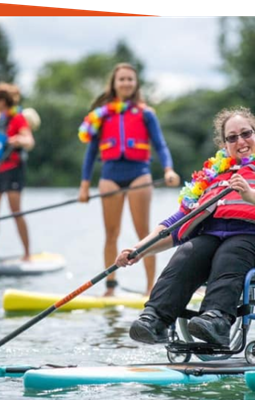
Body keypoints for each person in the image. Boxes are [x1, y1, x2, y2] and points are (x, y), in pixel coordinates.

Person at [115, 106, 255, 346]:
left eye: (246, 133)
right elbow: (178, 223)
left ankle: (217, 319)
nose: (241, 141)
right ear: (225, 145)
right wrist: (139, 249)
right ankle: (155, 318)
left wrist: (251, 195)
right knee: (192, 248)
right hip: (222, 240)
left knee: (234, 247)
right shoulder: (213, 176)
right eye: (232, 138)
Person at [78, 63, 180, 297]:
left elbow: (160, 145)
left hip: (139, 176)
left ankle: (150, 289)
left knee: (144, 233)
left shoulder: (146, 113)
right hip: (110, 177)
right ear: (114, 83)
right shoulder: (101, 115)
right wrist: (84, 185)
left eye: (130, 79)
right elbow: (91, 152)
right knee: (111, 234)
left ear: (136, 84)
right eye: (121, 79)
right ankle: (110, 288)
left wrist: (168, 170)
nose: (125, 83)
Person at [0, 82, 35, 262]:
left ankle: (27, 253)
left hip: (13, 170)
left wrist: (19, 139)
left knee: (15, 210)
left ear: (3, 100)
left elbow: (29, 141)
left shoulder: (17, 118)